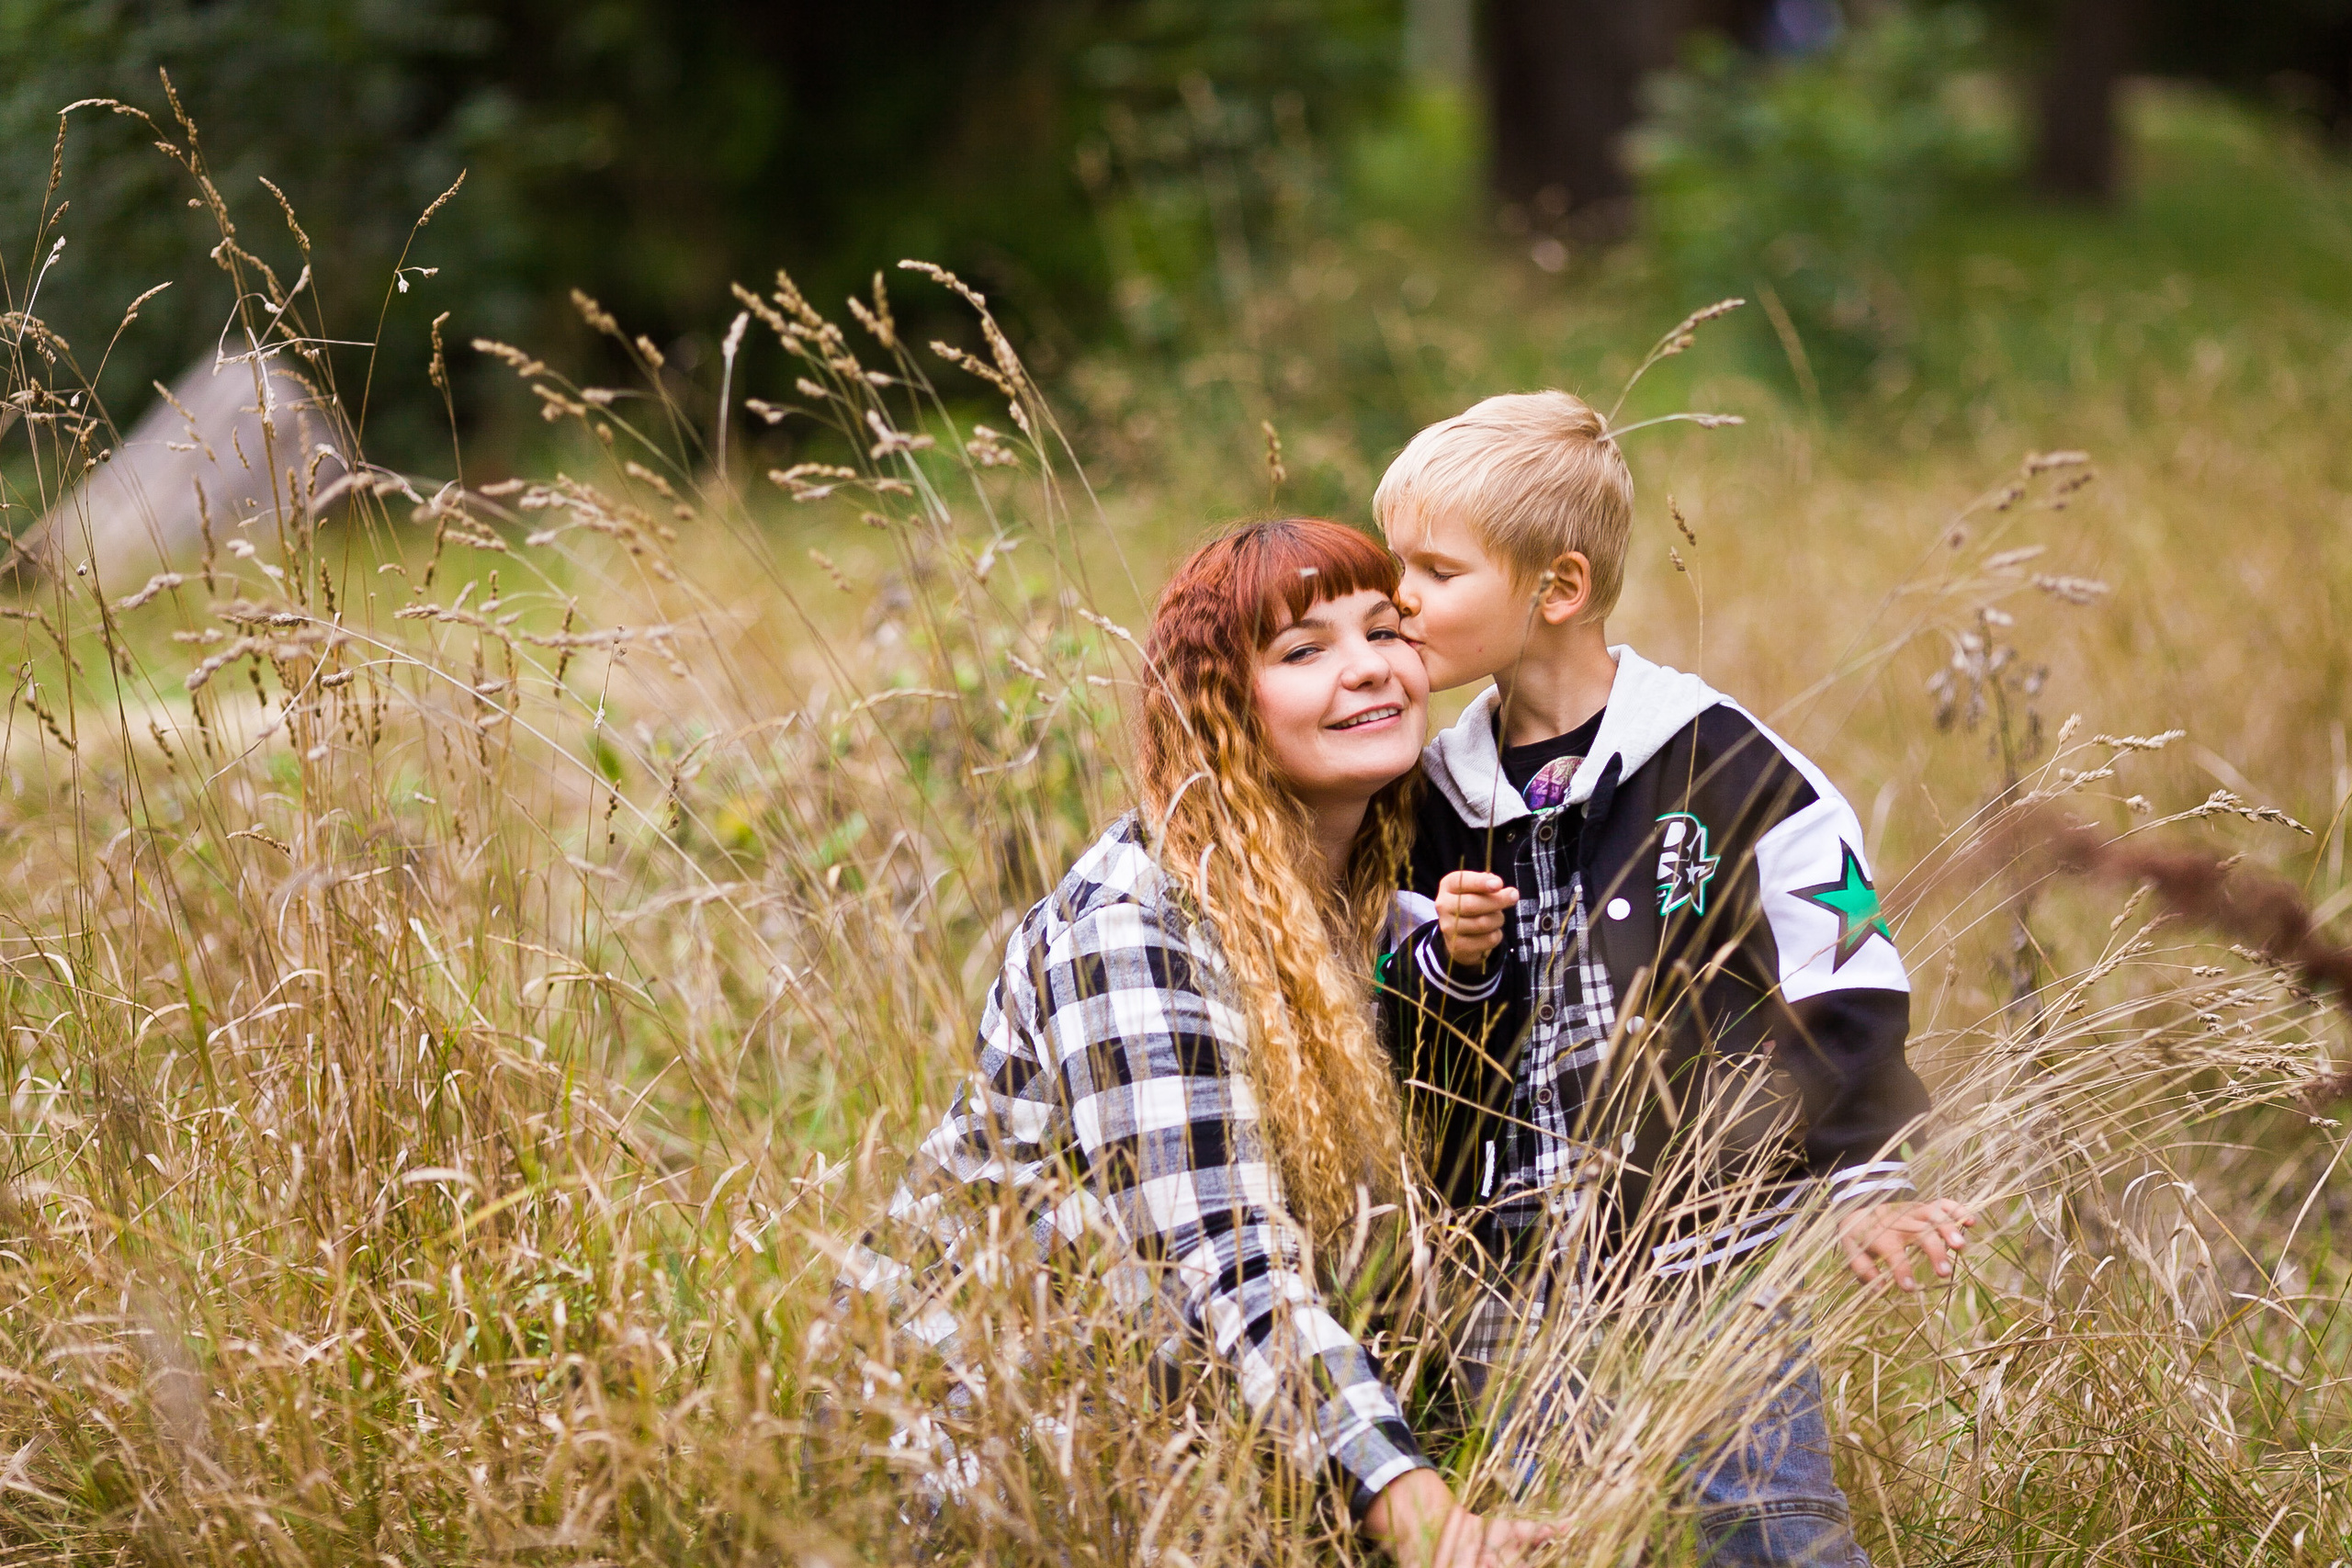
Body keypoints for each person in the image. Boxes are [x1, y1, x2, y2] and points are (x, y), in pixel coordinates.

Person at [847, 519, 1555, 1567]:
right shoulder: (1135, 924)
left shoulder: (1389, 884)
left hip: (1191, 1423)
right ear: (1221, 707)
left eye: (1384, 630)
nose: (1367, 669)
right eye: (1304, 651)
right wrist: (1430, 1527)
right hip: (970, 1441)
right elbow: (1219, 1259)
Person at [1374, 390, 1976, 1566]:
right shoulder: (1432, 798)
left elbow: (1839, 963)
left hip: (1712, 1271)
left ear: (1557, 589)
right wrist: (1450, 962)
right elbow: (1396, 1003)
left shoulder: (1722, 764)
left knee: (1774, 1535)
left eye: (1434, 571)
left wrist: (1867, 1177)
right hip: (1509, 1280)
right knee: (1560, 1538)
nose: (1398, 596)